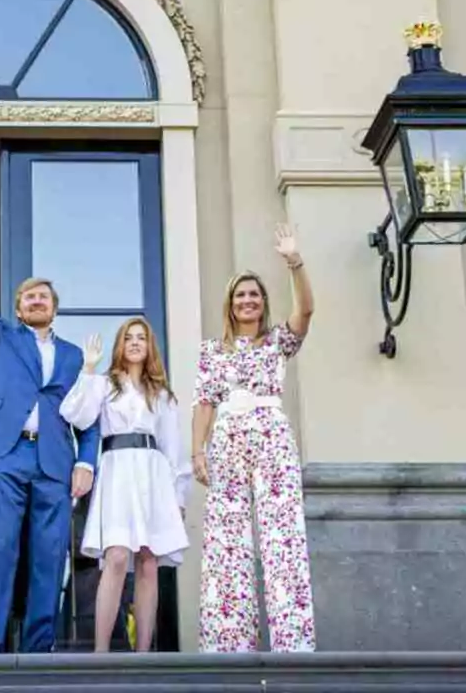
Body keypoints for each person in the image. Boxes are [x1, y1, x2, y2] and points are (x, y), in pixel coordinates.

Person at [0, 195, 101, 654]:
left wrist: (87, 463)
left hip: (55, 461)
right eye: (28, 296)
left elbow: (91, 414)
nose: (36, 300)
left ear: (54, 308)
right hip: (5, 453)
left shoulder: (76, 356)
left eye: (43, 296)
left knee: (49, 556)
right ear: (18, 309)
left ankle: (41, 650)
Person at [192, 224, 316, 653]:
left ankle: (292, 642)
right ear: (230, 304)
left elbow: (306, 312)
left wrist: (294, 262)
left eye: (255, 295)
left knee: (282, 536)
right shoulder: (213, 351)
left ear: (263, 304)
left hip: (272, 436)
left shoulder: (277, 341)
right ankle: (230, 643)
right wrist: (197, 450)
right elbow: (204, 401)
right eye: (240, 295)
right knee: (227, 538)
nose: (248, 300)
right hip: (227, 440)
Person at [60, 317, 190, 652]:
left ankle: (143, 653)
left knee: (148, 560)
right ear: (120, 345)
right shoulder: (105, 384)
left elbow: (173, 448)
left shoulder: (161, 393)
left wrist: (179, 497)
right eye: (128, 338)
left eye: (141, 338)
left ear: (149, 346)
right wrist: (89, 370)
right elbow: (76, 414)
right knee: (117, 556)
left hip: (153, 475)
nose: (134, 343)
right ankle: (101, 653)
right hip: (117, 470)